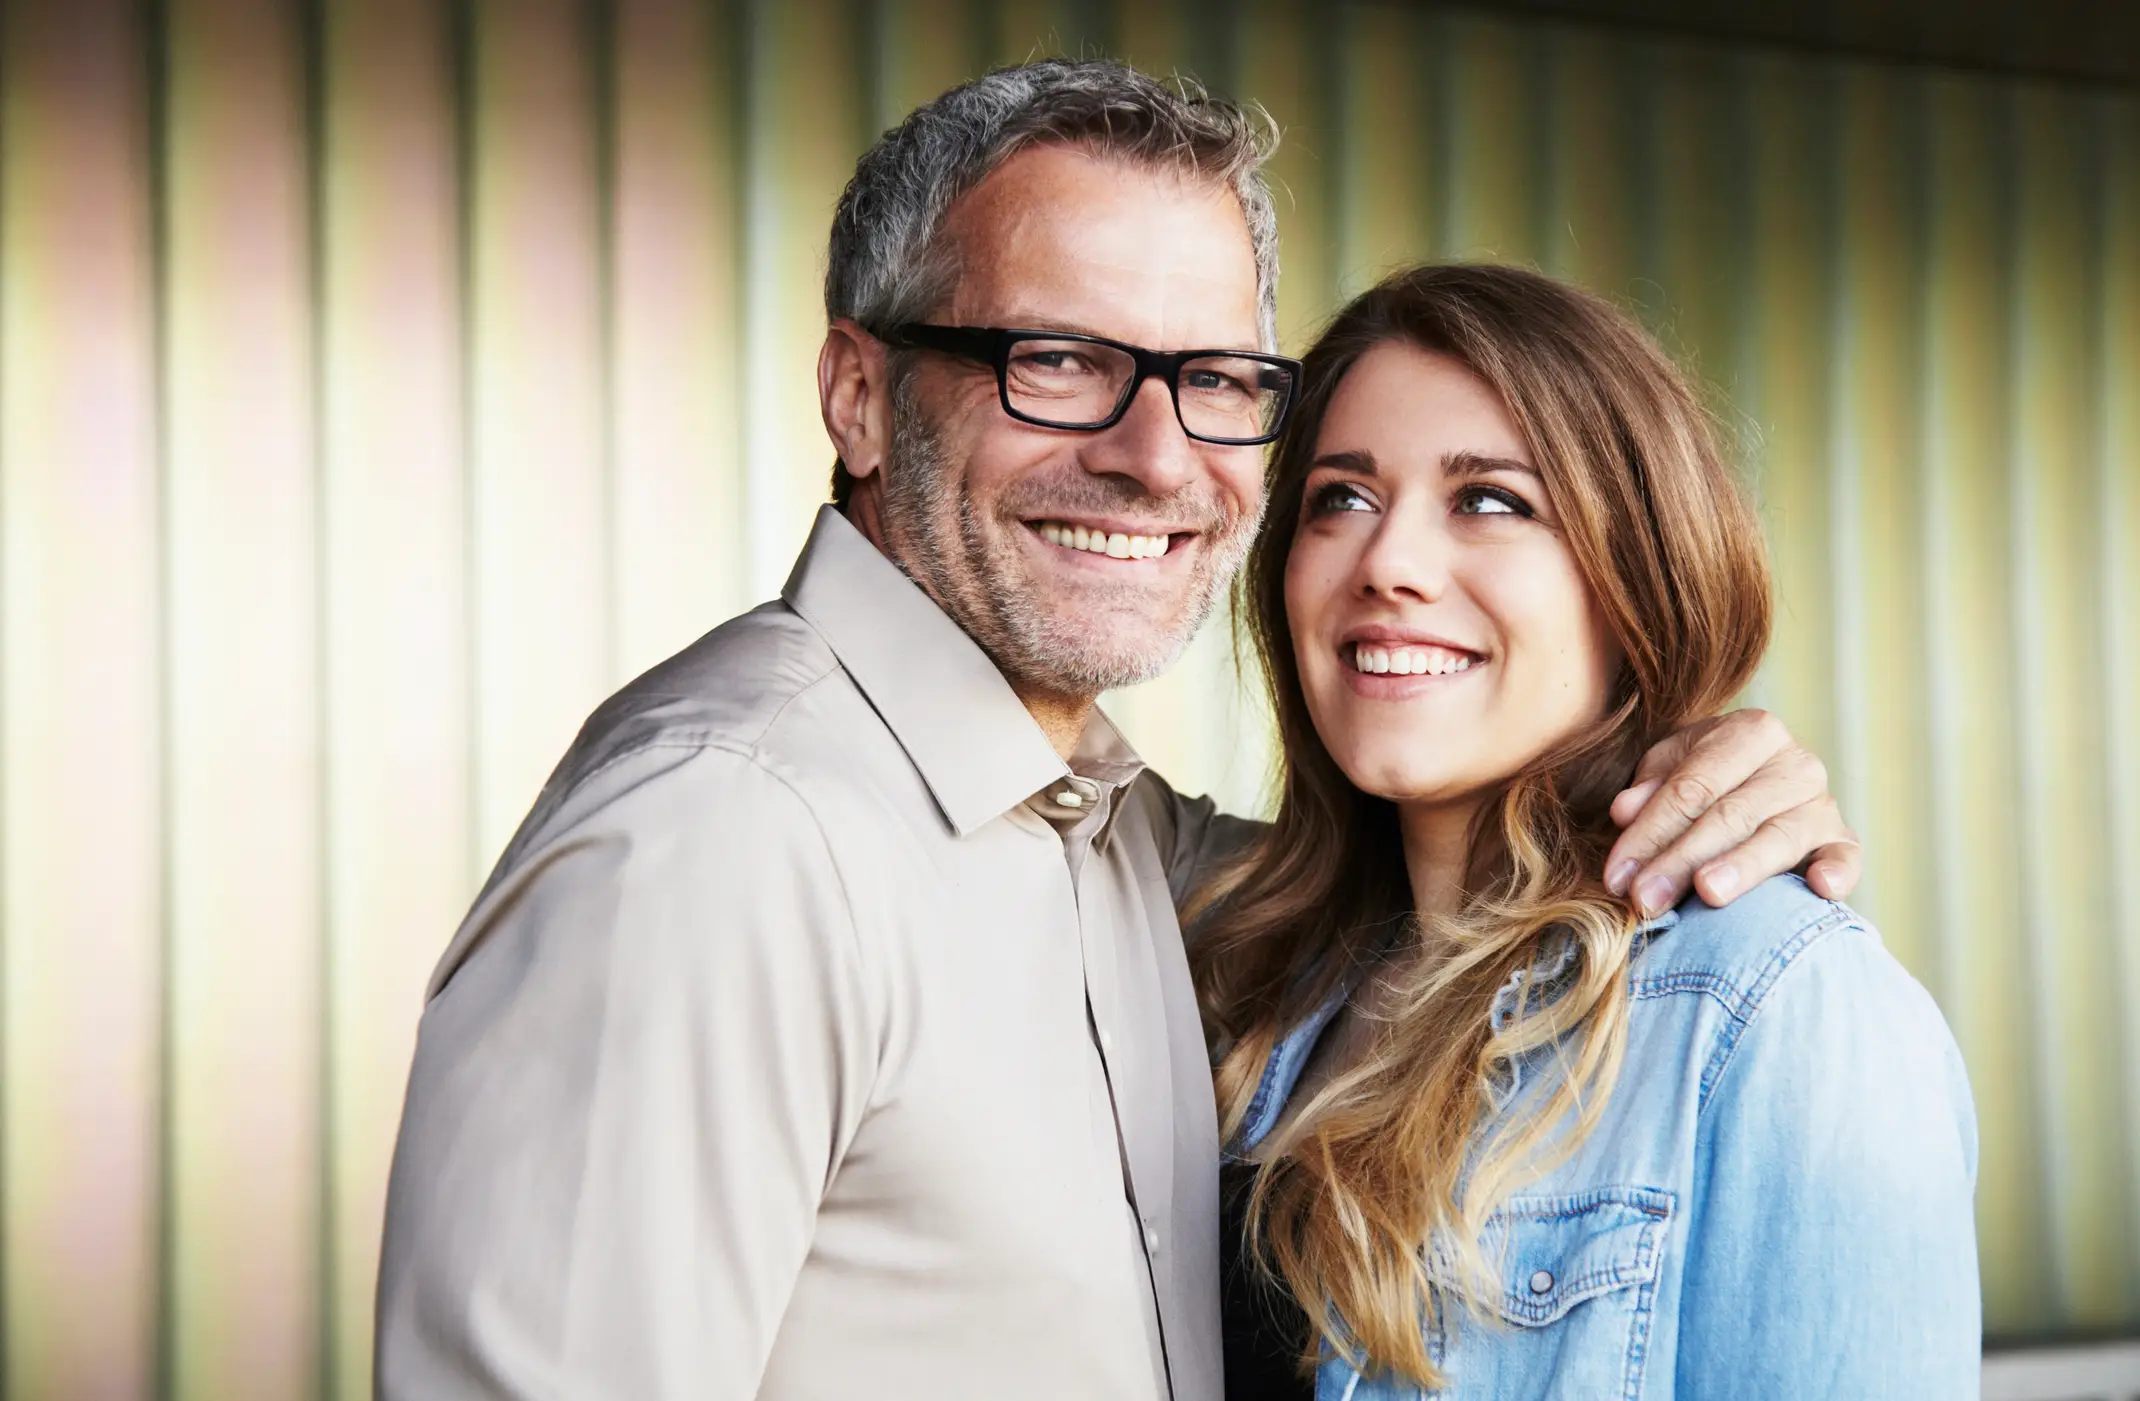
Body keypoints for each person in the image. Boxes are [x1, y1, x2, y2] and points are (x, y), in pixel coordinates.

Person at [374, 63, 1864, 1401]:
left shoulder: (1137, 855)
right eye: (1061, 360)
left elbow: (1439, 882)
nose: (1154, 458)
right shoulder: (726, 838)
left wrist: (1703, 765)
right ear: (860, 396)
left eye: (1212, 381)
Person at [1199, 264, 1977, 1401]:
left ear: (1637, 577)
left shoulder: (1775, 1007)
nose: (1388, 565)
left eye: (1490, 500)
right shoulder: (1252, 971)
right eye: (1341, 498)